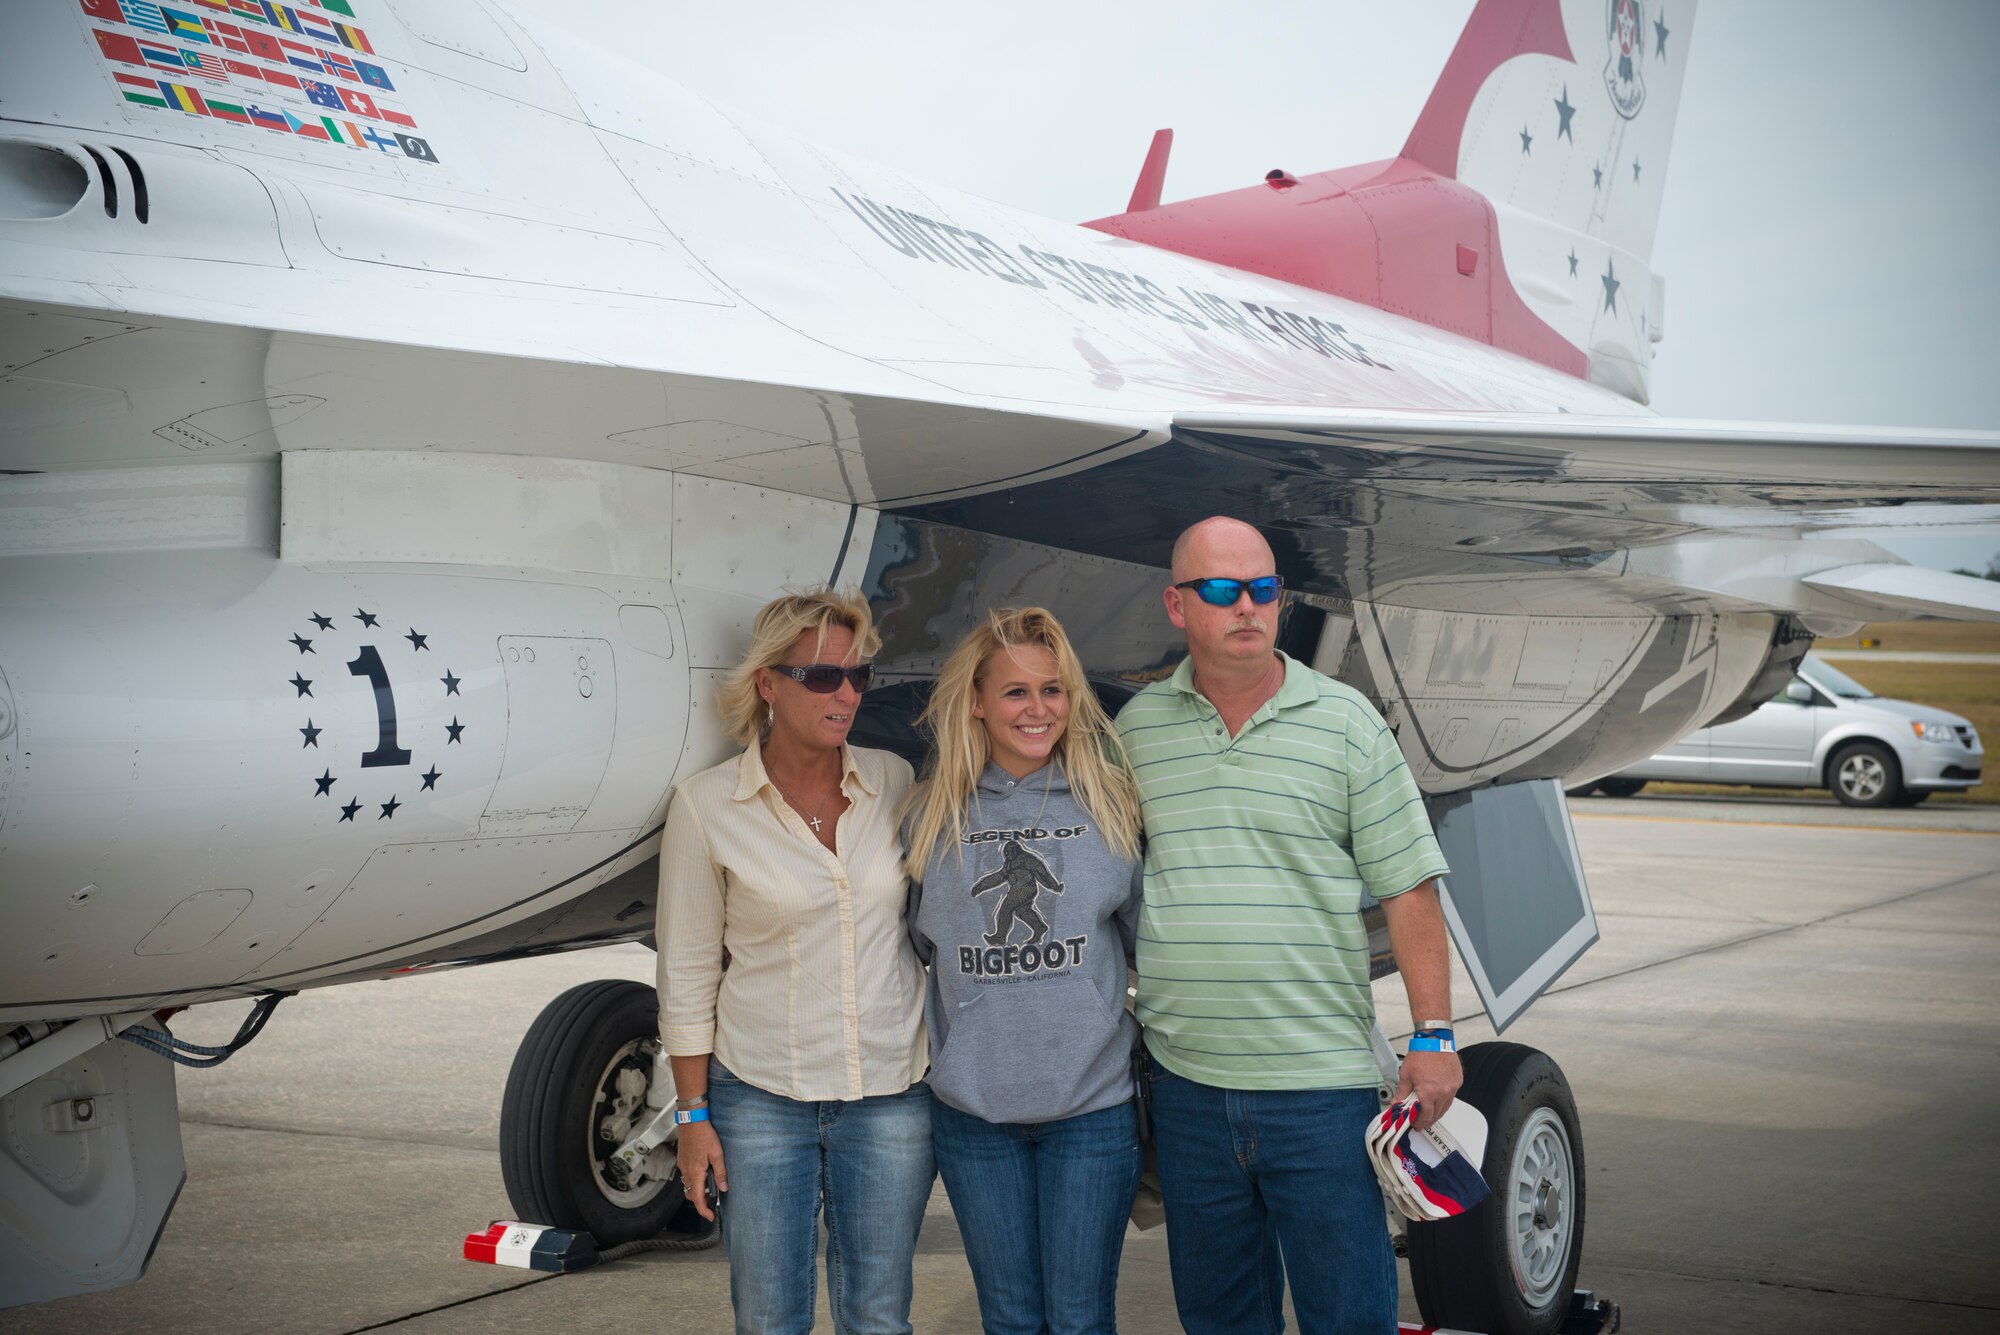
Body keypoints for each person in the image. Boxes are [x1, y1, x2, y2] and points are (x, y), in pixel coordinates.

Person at [1115, 517, 1461, 1335]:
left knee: (1348, 1318)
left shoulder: (1346, 725)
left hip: (1323, 1095)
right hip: (1190, 1091)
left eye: (1265, 589)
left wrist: (1435, 1035)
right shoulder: (1135, 735)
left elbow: (1409, 887)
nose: (1249, 605)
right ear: (1176, 603)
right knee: (1222, 1320)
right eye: (1224, 589)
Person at [656, 588, 933, 1335]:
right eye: (820, 676)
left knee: (879, 1318)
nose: (845, 693)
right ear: (767, 684)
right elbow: (685, 973)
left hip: (889, 1093)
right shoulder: (706, 805)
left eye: (858, 676)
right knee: (770, 1317)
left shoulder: (895, 785)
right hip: (760, 1099)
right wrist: (693, 1116)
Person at [904, 607, 1147, 1335]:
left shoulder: (1108, 802)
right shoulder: (929, 814)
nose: (1037, 709)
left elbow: (1141, 940)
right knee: (1009, 1318)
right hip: (976, 1115)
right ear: (976, 700)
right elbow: (919, 943)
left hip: (1092, 1111)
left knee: (1078, 1319)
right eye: (1015, 692)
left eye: (1052, 690)